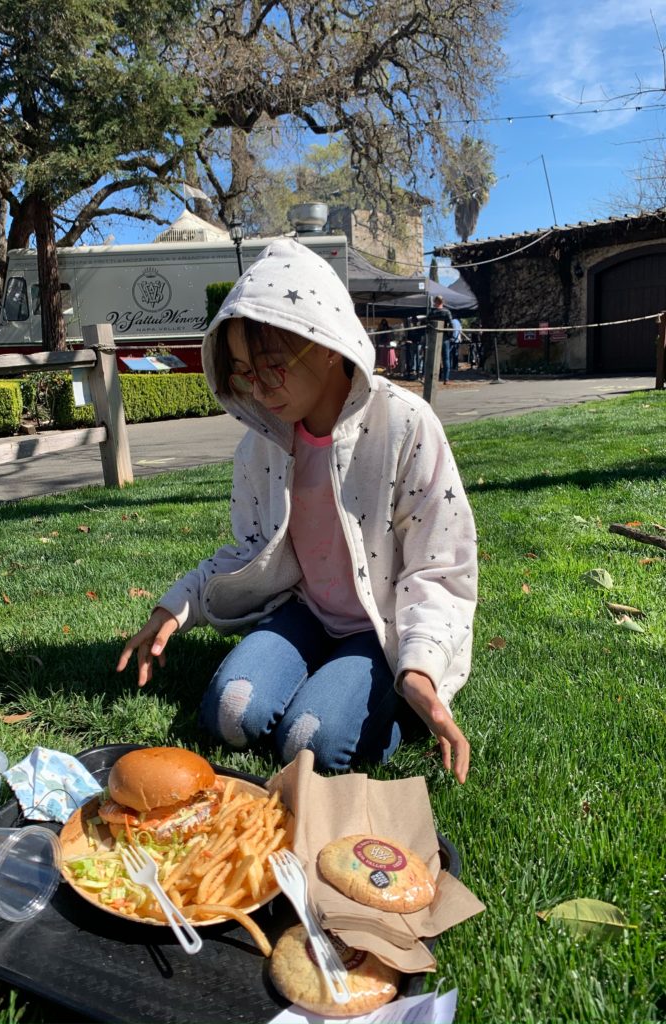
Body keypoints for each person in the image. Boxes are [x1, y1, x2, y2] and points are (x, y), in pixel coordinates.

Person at [117, 238, 477, 783]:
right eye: (241, 371)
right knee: (230, 713)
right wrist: (174, 609)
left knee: (312, 741)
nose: (257, 390)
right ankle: (322, 676)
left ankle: (393, 705)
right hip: (303, 612)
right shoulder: (260, 446)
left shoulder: (405, 427)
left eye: (272, 366)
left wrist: (422, 670)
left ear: (327, 344)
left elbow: (438, 567)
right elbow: (249, 550)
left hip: (380, 628)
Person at [427, 296, 453, 384]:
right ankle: (446, 379)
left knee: (434, 358)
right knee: (446, 358)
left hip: (433, 337)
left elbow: (428, 324)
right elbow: (451, 325)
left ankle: (434, 377)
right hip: (444, 337)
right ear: (443, 301)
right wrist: (450, 336)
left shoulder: (432, 312)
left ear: (435, 302)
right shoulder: (447, 312)